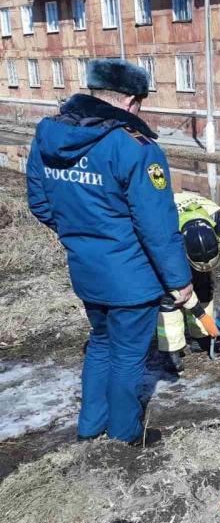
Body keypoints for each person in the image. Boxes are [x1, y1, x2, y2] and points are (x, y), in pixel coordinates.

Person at [26, 59, 192, 447]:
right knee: (129, 356)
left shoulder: (49, 135)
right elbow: (156, 225)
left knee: (100, 343)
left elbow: (40, 203)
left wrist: (82, 235)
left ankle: (90, 427)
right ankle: (124, 435)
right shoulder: (133, 146)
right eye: (141, 104)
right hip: (131, 276)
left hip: (86, 269)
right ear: (131, 100)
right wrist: (180, 281)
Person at [157, 192, 220, 372]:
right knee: (170, 300)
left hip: (195, 224)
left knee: (204, 286)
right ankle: (171, 350)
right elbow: (172, 282)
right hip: (172, 243)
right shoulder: (164, 230)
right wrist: (201, 314)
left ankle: (200, 337)